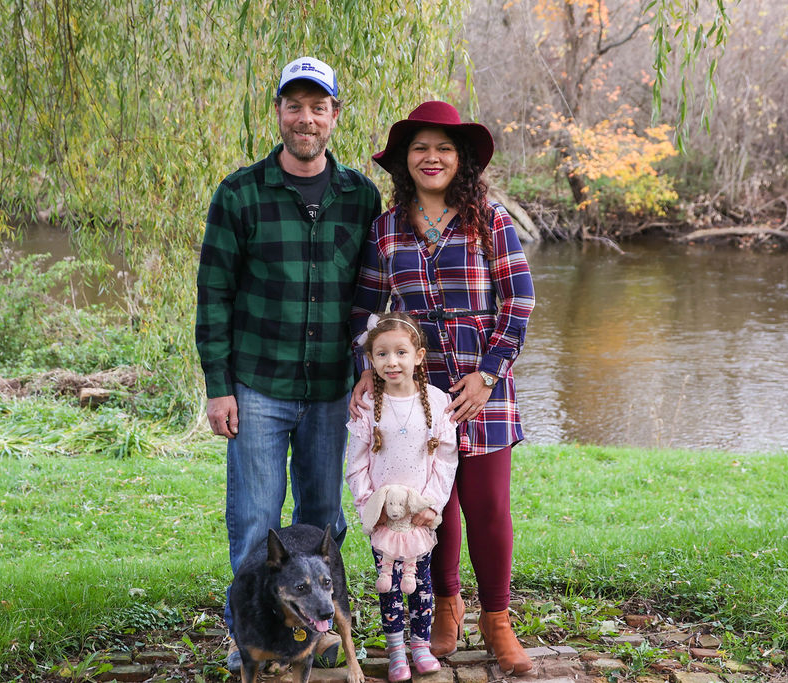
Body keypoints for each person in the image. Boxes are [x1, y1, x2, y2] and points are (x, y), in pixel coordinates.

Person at [196, 56, 381, 670]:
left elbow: (371, 293)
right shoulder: (240, 193)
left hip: (331, 389)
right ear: (278, 112)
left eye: (318, 106)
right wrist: (219, 388)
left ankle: (314, 631)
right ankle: (246, 633)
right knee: (254, 524)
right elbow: (215, 296)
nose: (306, 118)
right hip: (257, 385)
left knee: (323, 525)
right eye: (294, 105)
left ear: (334, 115)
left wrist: (369, 370)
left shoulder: (360, 197)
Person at [349, 101, 535, 675]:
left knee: (487, 507)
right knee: (436, 503)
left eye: (444, 149)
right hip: (416, 394)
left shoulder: (491, 220)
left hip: (483, 387)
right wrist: (366, 364)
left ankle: (498, 622)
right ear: (406, 161)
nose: (432, 158)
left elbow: (519, 299)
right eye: (420, 149)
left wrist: (488, 372)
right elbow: (366, 306)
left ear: (462, 160)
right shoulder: (386, 228)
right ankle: (446, 606)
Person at [345, 312, 458, 682]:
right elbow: (356, 463)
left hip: (420, 515)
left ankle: (421, 646)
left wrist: (432, 505)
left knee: (422, 583)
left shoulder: (437, 402)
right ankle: (396, 651)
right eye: (381, 354)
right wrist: (368, 506)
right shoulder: (368, 405)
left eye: (400, 353)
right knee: (388, 583)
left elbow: (444, 459)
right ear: (370, 360)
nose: (391, 362)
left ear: (419, 356)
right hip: (384, 516)